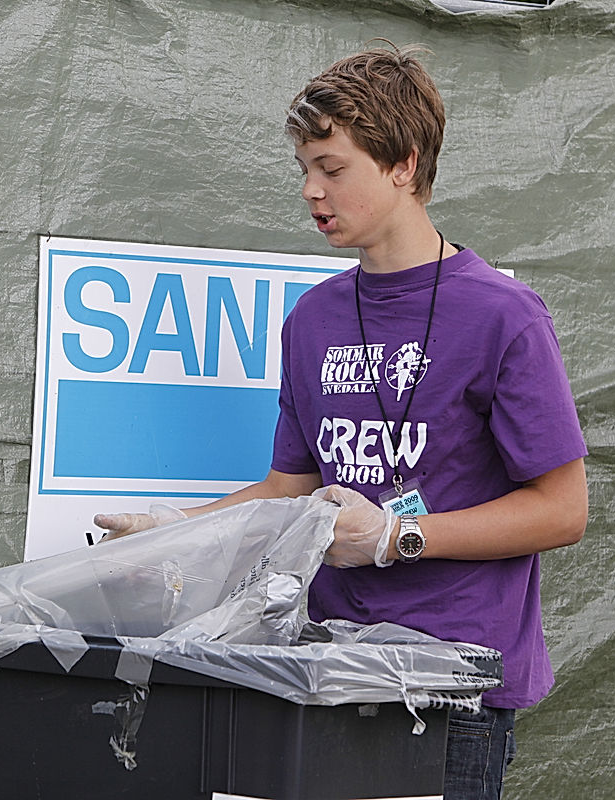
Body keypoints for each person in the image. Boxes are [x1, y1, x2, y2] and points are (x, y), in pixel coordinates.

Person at [96, 42, 588, 800]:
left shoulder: (504, 317)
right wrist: (177, 527)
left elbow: (564, 510)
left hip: (451, 692)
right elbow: (287, 488)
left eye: (332, 167)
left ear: (403, 164)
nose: (310, 191)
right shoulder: (312, 319)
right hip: (320, 668)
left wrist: (398, 536)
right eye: (303, 169)